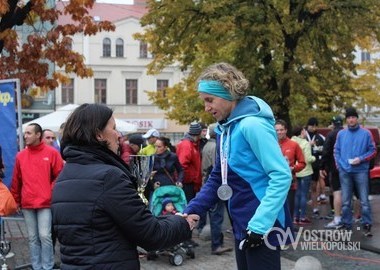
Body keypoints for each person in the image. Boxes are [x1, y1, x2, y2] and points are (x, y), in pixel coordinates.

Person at [51, 103, 198, 269]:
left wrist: (170, 219)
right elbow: (151, 235)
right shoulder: (108, 177)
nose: (119, 135)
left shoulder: (65, 176)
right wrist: (183, 224)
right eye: (114, 128)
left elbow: (127, 222)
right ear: (98, 134)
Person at [183, 62, 293, 270]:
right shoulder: (226, 128)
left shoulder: (252, 125)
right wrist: (192, 209)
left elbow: (281, 176)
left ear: (228, 93)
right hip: (243, 221)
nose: (206, 108)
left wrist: (260, 226)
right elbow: (218, 177)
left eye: (209, 100)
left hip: (263, 224)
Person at [10, 123, 64, 270]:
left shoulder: (52, 153)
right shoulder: (21, 155)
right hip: (27, 203)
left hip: (45, 202)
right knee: (33, 238)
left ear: (38, 135)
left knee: (45, 236)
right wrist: (16, 200)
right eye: (25, 133)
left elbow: (59, 175)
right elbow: (16, 180)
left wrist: (49, 191)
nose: (25, 136)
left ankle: (47, 266)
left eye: (28, 133)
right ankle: (36, 266)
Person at [334, 107, 377, 237]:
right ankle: (346, 223)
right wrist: (340, 166)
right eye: (348, 117)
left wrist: (361, 159)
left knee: (364, 200)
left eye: (353, 117)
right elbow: (336, 151)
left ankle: (367, 224)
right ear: (346, 120)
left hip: (361, 171)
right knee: (346, 200)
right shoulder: (341, 134)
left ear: (357, 118)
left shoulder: (366, 133)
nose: (351, 120)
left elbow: (373, 150)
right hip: (345, 171)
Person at [201, 123, 232, 255]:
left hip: (207, 180)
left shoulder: (207, 145)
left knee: (215, 214)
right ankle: (217, 245)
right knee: (217, 215)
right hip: (215, 183)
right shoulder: (215, 146)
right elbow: (217, 168)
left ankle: (217, 243)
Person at [275, 120, 306, 221]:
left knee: (289, 209)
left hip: (290, 183)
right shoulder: (270, 144)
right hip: (273, 183)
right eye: (277, 130)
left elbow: (302, 162)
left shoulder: (294, 145)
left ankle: (289, 230)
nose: (279, 132)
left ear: (286, 130)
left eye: (281, 130)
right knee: (275, 209)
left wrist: (293, 168)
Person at [320, 116, 344, 229]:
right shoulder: (346, 133)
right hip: (348, 167)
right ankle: (349, 216)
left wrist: (322, 167)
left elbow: (326, 151)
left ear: (333, 124)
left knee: (336, 192)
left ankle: (337, 216)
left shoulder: (331, 134)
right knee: (348, 192)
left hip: (334, 167)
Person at [291, 126, 315, 225]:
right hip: (305, 171)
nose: (305, 132)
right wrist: (315, 158)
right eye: (304, 130)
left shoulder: (291, 141)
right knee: (304, 195)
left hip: (295, 171)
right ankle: (302, 217)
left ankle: (295, 216)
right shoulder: (305, 143)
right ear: (301, 131)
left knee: (297, 194)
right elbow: (308, 158)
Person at [176, 122, 203, 203]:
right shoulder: (187, 145)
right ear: (197, 134)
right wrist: (193, 178)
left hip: (189, 182)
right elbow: (182, 164)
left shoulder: (191, 144)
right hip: (188, 183)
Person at [305, 117, 326, 217]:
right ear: (308, 126)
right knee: (303, 188)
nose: (313, 128)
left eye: (315, 126)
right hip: (304, 166)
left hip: (315, 166)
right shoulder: (303, 135)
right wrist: (308, 144)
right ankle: (301, 209)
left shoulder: (320, 137)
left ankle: (315, 208)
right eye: (311, 126)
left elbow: (323, 151)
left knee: (314, 187)